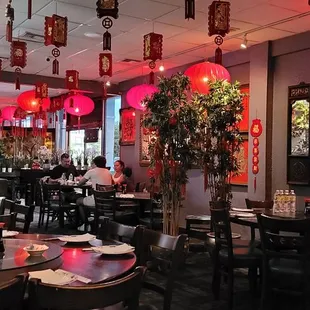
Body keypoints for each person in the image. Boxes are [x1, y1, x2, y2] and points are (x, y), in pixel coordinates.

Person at [76, 156, 112, 225]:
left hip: (96, 200)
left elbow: (80, 183)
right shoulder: (108, 172)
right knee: (87, 198)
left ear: (95, 164)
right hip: (107, 201)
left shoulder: (91, 171)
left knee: (78, 201)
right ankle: (93, 221)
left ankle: (85, 223)